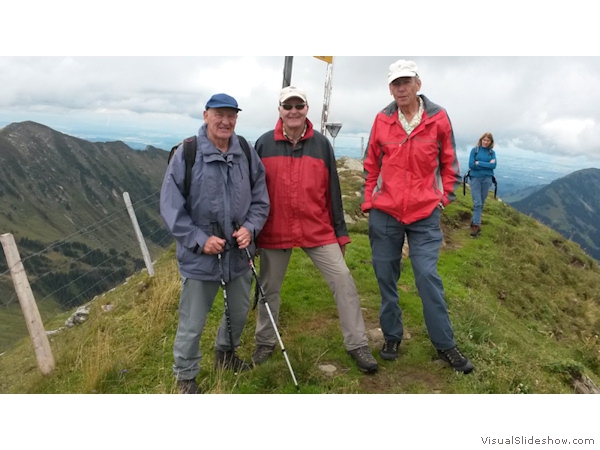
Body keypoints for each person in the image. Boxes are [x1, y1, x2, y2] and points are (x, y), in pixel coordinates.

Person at [251, 85, 378, 374]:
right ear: (280, 110)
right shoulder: (262, 144)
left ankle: (357, 343)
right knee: (268, 289)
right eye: (288, 106)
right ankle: (265, 342)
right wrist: (253, 231)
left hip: (317, 229)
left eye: (299, 106)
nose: (293, 111)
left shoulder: (322, 145)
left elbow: (332, 192)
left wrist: (341, 234)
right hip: (275, 230)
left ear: (307, 109)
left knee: (344, 281)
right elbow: (253, 191)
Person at [361, 59, 474, 374]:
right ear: (390, 88)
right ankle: (392, 336)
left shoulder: (438, 118)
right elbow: (371, 163)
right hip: (385, 213)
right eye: (396, 83)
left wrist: (443, 197)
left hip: (424, 213)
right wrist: (369, 201)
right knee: (385, 276)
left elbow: (449, 161)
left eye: (406, 81)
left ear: (418, 84)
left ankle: (444, 344)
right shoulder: (382, 120)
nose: (401, 88)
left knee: (427, 277)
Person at [160, 93, 270, 394]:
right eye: (219, 114)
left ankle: (226, 355)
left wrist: (250, 228)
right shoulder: (187, 153)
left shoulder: (246, 152)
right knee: (193, 321)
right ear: (205, 115)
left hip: (239, 254)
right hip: (201, 257)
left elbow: (261, 199)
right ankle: (185, 377)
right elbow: (171, 208)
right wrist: (199, 240)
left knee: (238, 310)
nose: (225, 121)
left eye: (231, 115)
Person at [468, 132, 497, 237]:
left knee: (481, 202)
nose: (485, 142)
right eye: (484, 140)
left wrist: (479, 163)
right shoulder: (474, 150)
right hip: (475, 178)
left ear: (491, 142)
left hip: (487, 179)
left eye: (488, 140)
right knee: (478, 203)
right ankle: (476, 226)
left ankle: (475, 221)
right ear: (481, 140)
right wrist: (487, 165)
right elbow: (471, 164)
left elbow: (493, 165)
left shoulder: (491, 152)